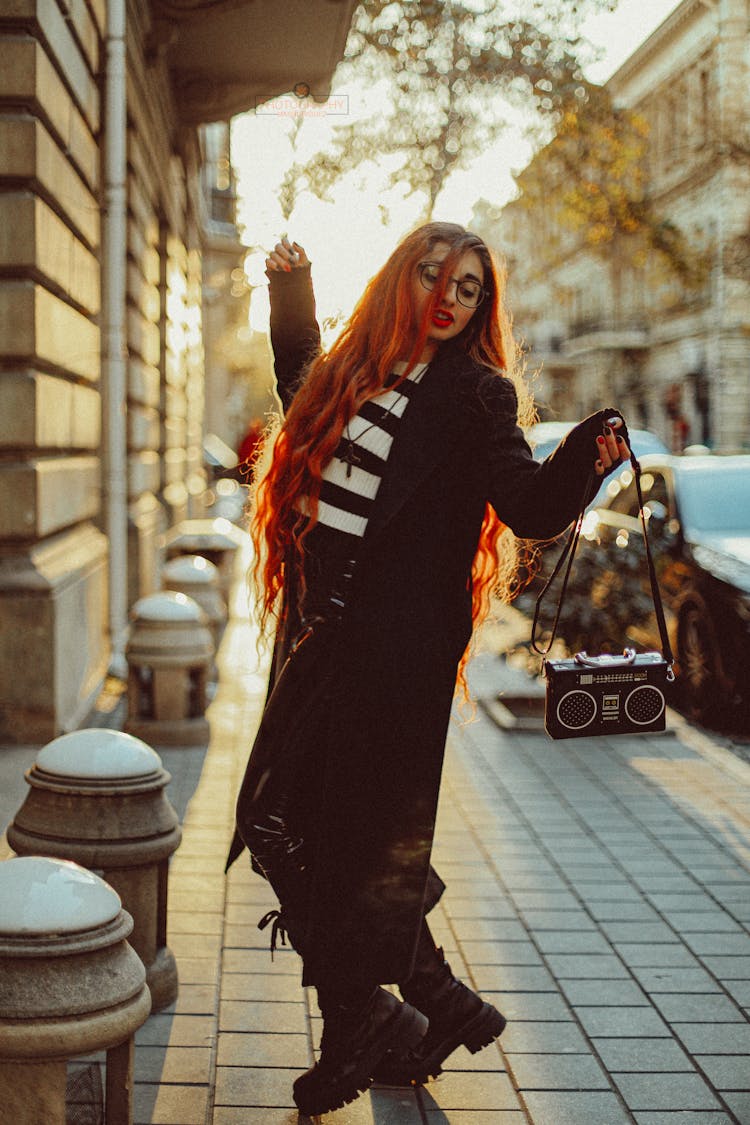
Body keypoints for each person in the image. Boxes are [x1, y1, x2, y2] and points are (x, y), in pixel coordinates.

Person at [226, 222, 630, 1117]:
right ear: (399, 281)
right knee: (309, 831)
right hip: (322, 641)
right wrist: (291, 293)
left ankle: (374, 1018)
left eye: (471, 288)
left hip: (394, 655)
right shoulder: (356, 371)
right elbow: (300, 386)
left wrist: (581, 462)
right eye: (435, 276)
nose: (451, 297)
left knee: (300, 827)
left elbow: (526, 505)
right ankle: (419, 1004)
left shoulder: (477, 394)